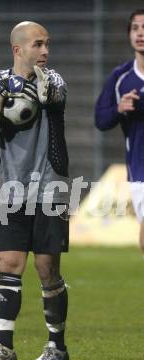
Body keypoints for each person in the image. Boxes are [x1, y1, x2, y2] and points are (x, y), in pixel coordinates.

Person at [0, 21, 70, 360]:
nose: (45, 51)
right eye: (38, 45)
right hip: (11, 189)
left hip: (50, 187)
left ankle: (56, 346)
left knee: (47, 269)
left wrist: (32, 85)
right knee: (9, 264)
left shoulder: (53, 79)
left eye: (47, 44)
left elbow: (52, 96)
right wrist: (2, 90)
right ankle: (3, 346)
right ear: (18, 49)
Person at [95, 9, 144, 252]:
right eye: (135, 28)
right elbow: (101, 120)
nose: (141, 33)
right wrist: (119, 108)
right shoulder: (120, 77)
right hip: (140, 169)